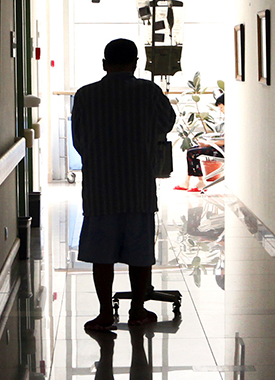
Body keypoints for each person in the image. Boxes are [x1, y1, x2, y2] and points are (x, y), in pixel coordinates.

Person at [71, 38, 176, 331]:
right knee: (140, 252)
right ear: (137, 63)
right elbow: (166, 123)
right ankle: (138, 310)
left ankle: (106, 314)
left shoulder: (85, 95)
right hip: (138, 185)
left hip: (100, 188)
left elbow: (79, 140)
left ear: (104, 64)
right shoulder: (149, 92)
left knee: (101, 255)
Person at [174, 94, 225, 192]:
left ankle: (198, 182)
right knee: (191, 151)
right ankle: (188, 181)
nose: (221, 110)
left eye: (222, 107)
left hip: (222, 150)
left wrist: (207, 144)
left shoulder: (234, 121)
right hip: (219, 147)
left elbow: (224, 141)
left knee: (192, 153)